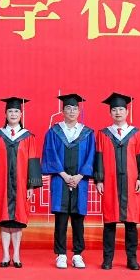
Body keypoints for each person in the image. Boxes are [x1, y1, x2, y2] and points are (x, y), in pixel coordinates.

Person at [95, 92, 140, 271]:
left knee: (131, 223)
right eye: (114, 110)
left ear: (127, 112)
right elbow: (98, 158)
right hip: (110, 183)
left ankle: (132, 259)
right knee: (109, 223)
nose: (118, 112)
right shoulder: (103, 134)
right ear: (110, 113)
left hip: (131, 182)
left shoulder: (136, 133)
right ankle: (107, 259)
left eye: (121, 109)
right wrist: (99, 179)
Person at [41, 94, 96, 269]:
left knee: (79, 219)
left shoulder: (87, 133)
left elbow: (91, 156)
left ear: (79, 111)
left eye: (74, 109)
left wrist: (79, 176)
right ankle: (61, 254)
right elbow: (50, 154)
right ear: (62, 111)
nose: (71, 111)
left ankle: (78, 254)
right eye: (68, 108)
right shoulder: (54, 132)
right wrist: (64, 175)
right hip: (60, 180)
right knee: (61, 218)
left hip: (81, 181)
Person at [0, 97, 41, 269]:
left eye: (16, 111)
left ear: (21, 114)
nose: (13, 114)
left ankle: (17, 254)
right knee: (5, 220)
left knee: (18, 220)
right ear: (5, 114)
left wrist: (31, 185)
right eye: (10, 111)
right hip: (1, 183)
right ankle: (5, 254)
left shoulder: (28, 137)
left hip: (21, 184)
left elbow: (32, 160)